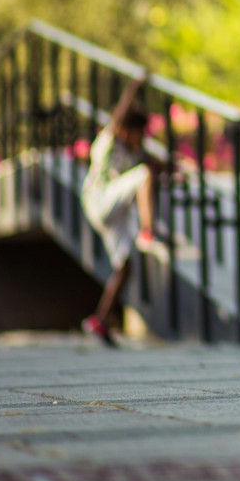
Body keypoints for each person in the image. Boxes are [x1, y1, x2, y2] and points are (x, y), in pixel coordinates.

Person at [80, 73, 162, 346]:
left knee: (125, 267)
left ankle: (99, 320)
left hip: (111, 211)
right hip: (100, 199)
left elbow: (155, 162)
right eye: (139, 134)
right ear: (126, 130)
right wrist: (135, 86)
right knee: (143, 175)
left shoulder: (132, 152)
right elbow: (120, 114)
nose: (141, 140)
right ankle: (148, 231)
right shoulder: (111, 139)